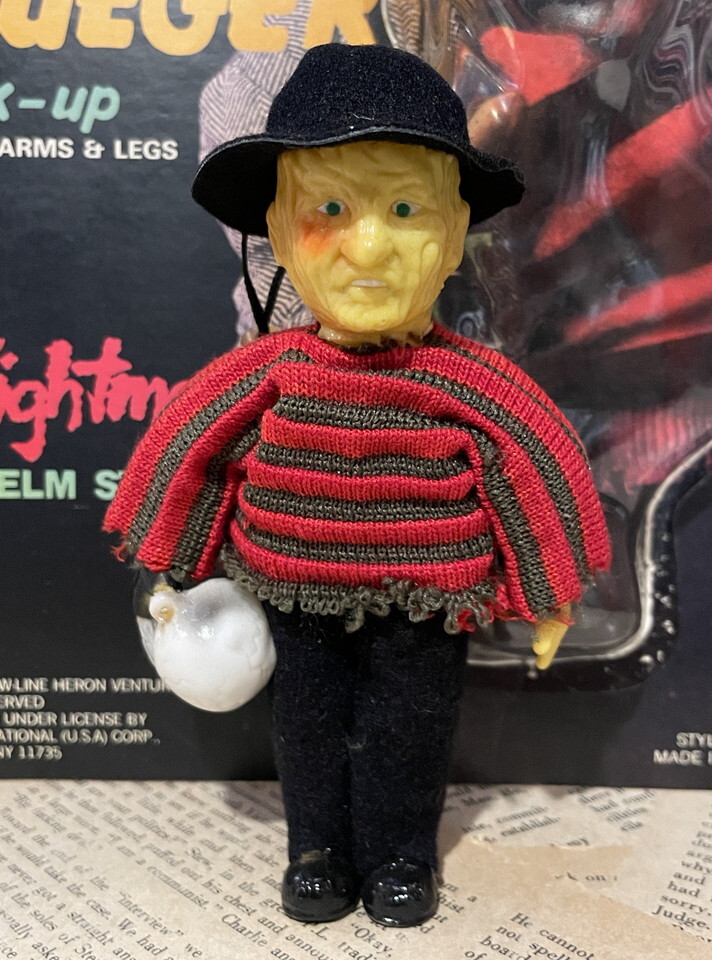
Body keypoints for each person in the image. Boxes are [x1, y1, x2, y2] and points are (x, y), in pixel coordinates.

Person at [105, 43, 609, 927]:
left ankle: (402, 853)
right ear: (279, 232)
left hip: (426, 606)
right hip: (294, 594)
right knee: (306, 728)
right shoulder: (266, 374)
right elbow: (191, 449)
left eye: (405, 209)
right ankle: (317, 851)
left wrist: (552, 589)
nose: (368, 245)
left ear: (454, 234)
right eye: (330, 210)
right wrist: (170, 565)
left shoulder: (473, 385)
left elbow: (536, 465)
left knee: (411, 731)